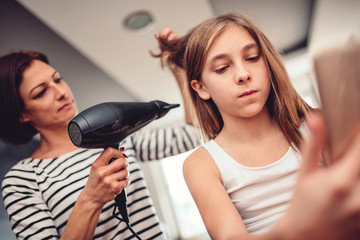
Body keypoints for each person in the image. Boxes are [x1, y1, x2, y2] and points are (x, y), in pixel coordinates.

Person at [154, 13, 360, 239]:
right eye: (222, 68)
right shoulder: (202, 164)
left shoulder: (317, 126)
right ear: (201, 87)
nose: (243, 74)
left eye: (252, 58)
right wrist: (298, 226)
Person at [0, 49, 200, 239]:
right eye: (41, 92)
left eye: (58, 79)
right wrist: (90, 200)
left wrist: (179, 67)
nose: (60, 91)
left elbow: (192, 135)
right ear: (22, 115)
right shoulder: (23, 180)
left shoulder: (117, 135)